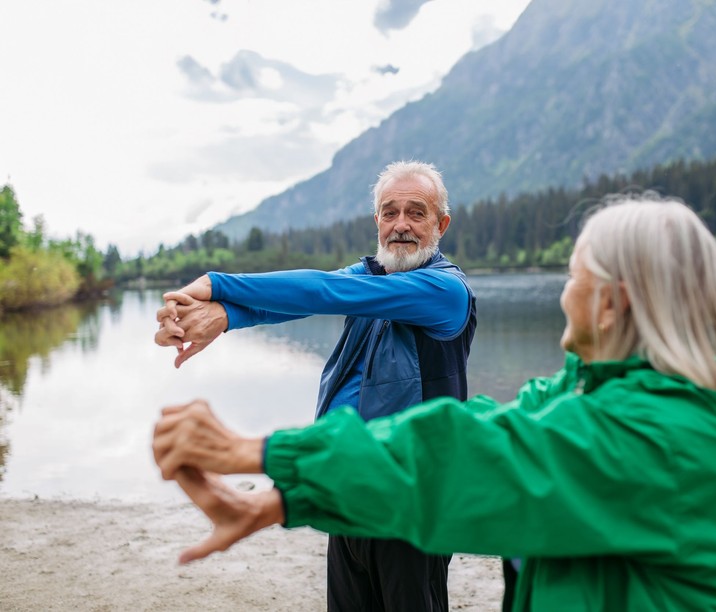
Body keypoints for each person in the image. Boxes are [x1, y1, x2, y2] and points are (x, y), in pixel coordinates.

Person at [153, 195, 716, 611]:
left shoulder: (664, 436)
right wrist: (287, 498)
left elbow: (470, 456)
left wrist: (255, 451)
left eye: (573, 276)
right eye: (388, 212)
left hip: (398, 502)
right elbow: (484, 426)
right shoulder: (581, 394)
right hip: (367, 495)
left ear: (613, 303)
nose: (562, 295)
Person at [154, 160, 477, 612]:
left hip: (411, 505)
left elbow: (323, 291)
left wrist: (216, 284)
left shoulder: (444, 291)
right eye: (389, 212)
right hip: (346, 493)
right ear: (377, 222)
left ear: (441, 224)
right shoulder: (372, 277)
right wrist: (222, 317)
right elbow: (296, 301)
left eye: (416, 212)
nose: (400, 225)